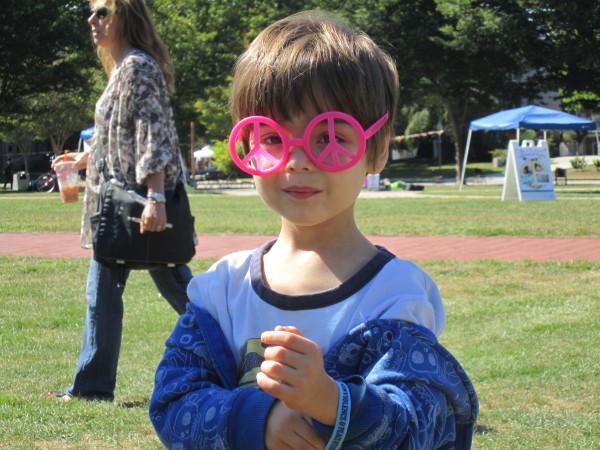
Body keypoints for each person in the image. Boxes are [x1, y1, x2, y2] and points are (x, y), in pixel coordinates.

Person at [150, 10, 478, 449]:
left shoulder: (395, 297)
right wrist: (259, 422)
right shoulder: (222, 291)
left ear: (376, 151)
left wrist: (332, 402)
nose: (297, 160)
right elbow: (174, 401)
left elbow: (421, 424)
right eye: (270, 137)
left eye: (329, 136)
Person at [48, 0, 192, 403]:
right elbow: (119, 135)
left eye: (101, 12)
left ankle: (236, 353)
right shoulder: (123, 69)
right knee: (104, 294)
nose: (91, 20)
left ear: (125, 17)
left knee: (185, 293)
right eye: (91, 12)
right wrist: (84, 158)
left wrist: (156, 198)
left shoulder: (139, 68)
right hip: (116, 205)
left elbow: (153, 135)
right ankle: (92, 388)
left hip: (135, 203)